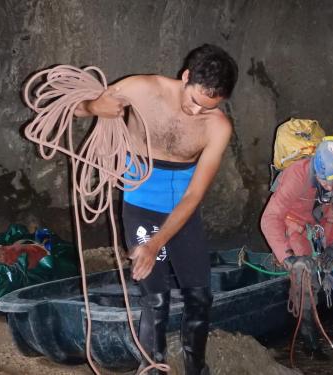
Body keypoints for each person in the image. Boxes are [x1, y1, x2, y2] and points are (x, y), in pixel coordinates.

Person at [75, 44, 238, 375]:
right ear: (186, 76)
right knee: (156, 299)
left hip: (182, 211)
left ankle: (196, 369)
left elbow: (194, 195)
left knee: (200, 298)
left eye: (208, 108)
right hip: (141, 206)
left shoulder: (218, 127)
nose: (196, 112)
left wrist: (155, 244)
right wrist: (95, 105)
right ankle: (153, 366)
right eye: (193, 101)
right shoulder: (141, 89)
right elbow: (77, 109)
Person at [260, 136, 333, 356]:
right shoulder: (297, 175)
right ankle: (310, 337)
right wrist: (289, 257)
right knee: (304, 277)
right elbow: (270, 218)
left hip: (325, 220)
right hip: (296, 225)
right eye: (325, 181)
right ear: (316, 170)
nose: (330, 187)